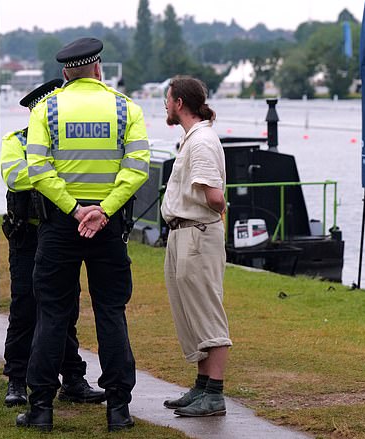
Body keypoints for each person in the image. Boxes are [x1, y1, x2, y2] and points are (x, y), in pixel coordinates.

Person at [16, 37, 150, 432]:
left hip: (60, 225)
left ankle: (40, 407)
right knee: (111, 312)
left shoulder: (46, 109)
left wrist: (75, 210)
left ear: (64, 73)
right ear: (98, 69)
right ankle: (119, 409)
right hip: (107, 228)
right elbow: (137, 168)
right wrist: (103, 211)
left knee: (53, 313)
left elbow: (38, 170)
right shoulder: (127, 109)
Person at [0, 79, 105, 408]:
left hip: (62, 233)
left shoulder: (65, 144)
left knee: (65, 309)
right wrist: (50, 170)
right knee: (25, 308)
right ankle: (16, 379)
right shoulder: (15, 141)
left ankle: (72, 377)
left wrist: (51, 170)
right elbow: (15, 177)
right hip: (28, 235)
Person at [160, 76, 232, 417]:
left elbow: (215, 196)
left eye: (167, 99)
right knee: (190, 313)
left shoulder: (201, 141)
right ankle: (202, 387)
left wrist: (216, 212)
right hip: (183, 233)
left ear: (178, 103)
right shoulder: (192, 139)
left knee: (206, 310)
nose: (165, 104)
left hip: (196, 234)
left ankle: (214, 394)